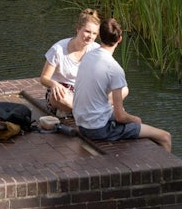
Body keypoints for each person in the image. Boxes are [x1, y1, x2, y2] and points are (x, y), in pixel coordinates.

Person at [72, 16, 172, 152]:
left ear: (100, 36)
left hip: (81, 124)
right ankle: (165, 171)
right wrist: (136, 119)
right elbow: (120, 116)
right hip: (98, 130)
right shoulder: (115, 69)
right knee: (165, 136)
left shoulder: (88, 55)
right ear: (120, 39)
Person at [40, 8, 101, 116]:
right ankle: (91, 113)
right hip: (62, 92)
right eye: (87, 31)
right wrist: (54, 84)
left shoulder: (97, 50)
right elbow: (44, 78)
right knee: (59, 97)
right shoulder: (58, 49)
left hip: (83, 93)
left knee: (122, 90)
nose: (90, 37)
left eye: (94, 33)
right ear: (78, 28)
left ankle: (79, 112)